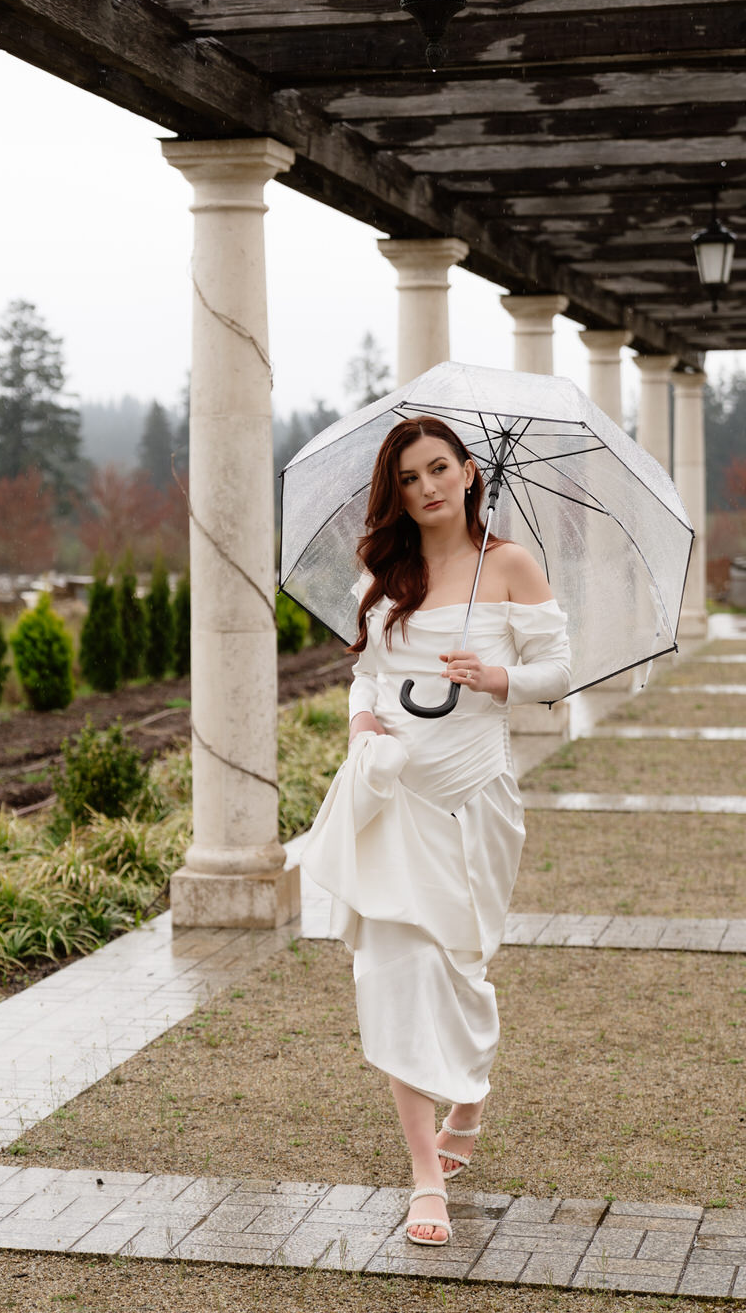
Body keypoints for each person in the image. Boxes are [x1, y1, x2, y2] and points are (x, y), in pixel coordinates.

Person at [300, 416, 571, 1248]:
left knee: (463, 966)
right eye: (410, 477)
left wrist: (500, 677)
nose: (426, 488)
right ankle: (425, 1177)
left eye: (439, 469)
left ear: (467, 473)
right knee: (394, 970)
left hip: (478, 797)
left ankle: (471, 1099)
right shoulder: (385, 575)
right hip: (396, 797)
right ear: (397, 493)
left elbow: (562, 674)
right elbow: (366, 676)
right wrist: (361, 724)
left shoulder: (513, 565)